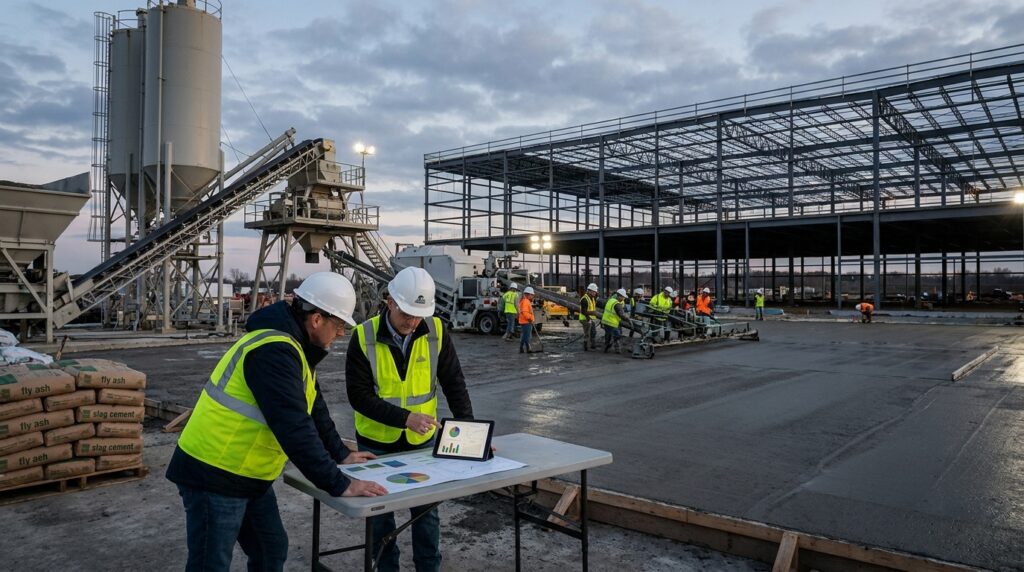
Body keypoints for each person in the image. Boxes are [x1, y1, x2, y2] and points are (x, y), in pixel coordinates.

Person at [166, 272, 388, 572]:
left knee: (271, 549)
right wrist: (339, 484)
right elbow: (293, 426)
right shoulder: (273, 350)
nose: (339, 335)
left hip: (248, 474)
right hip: (214, 472)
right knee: (211, 563)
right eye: (338, 326)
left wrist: (341, 453)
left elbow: (314, 405)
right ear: (317, 319)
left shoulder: (295, 348)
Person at [346, 266, 476, 572]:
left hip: (420, 443)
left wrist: (472, 434)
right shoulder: (363, 337)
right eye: (406, 312)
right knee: (380, 516)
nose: (412, 321)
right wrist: (406, 418)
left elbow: (454, 383)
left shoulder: (436, 332)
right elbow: (359, 397)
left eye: (418, 314)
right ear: (389, 301)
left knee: (426, 514)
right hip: (375, 444)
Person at [602, 288, 631, 353]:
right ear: (619, 296)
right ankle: (613, 346)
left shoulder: (611, 300)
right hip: (612, 322)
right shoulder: (617, 304)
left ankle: (606, 347)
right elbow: (622, 315)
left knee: (608, 335)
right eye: (623, 297)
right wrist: (628, 320)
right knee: (617, 335)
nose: (624, 299)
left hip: (606, 321)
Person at [578, 283, 599, 351]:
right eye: (594, 292)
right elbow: (583, 312)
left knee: (593, 332)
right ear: (590, 291)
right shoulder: (584, 299)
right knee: (587, 333)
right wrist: (590, 316)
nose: (595, 293)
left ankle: (593, 345)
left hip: (590, 318)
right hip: (585, 319)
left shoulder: (592, 298)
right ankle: (586, 346)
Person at [518, 286, 536, 353]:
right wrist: (531, 318)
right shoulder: (526, 301)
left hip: (524, 321)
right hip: (526, 321)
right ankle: (527, 348)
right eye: (532, 295)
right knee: (527, 336)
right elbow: (525, 313)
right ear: (528, 294)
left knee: (525, 335)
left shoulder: (524, 300)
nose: (533, 296)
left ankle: (522, 348)